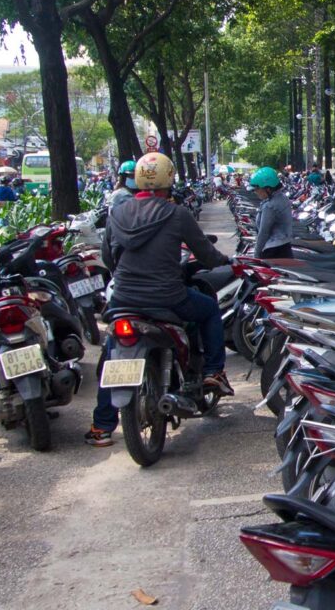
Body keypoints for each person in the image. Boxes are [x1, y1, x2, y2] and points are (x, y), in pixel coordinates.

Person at [89, 152, 231, 447]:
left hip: (125, 299)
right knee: (208, 310)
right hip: (167, 298)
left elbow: (109, 257)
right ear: (169, 179)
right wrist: (224, 260)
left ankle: (102, 426)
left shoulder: (118, 213)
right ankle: (213, 372)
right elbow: (204, 252)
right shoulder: (177, 214)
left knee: (111, 353)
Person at [247, 166, 294, 258]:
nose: (255, 192)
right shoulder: (283, 198)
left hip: (272, 251)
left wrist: (256, 255)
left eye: (257, 188)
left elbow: (263, 233)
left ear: (268, 188)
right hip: (285, 247)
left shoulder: (270, 206)